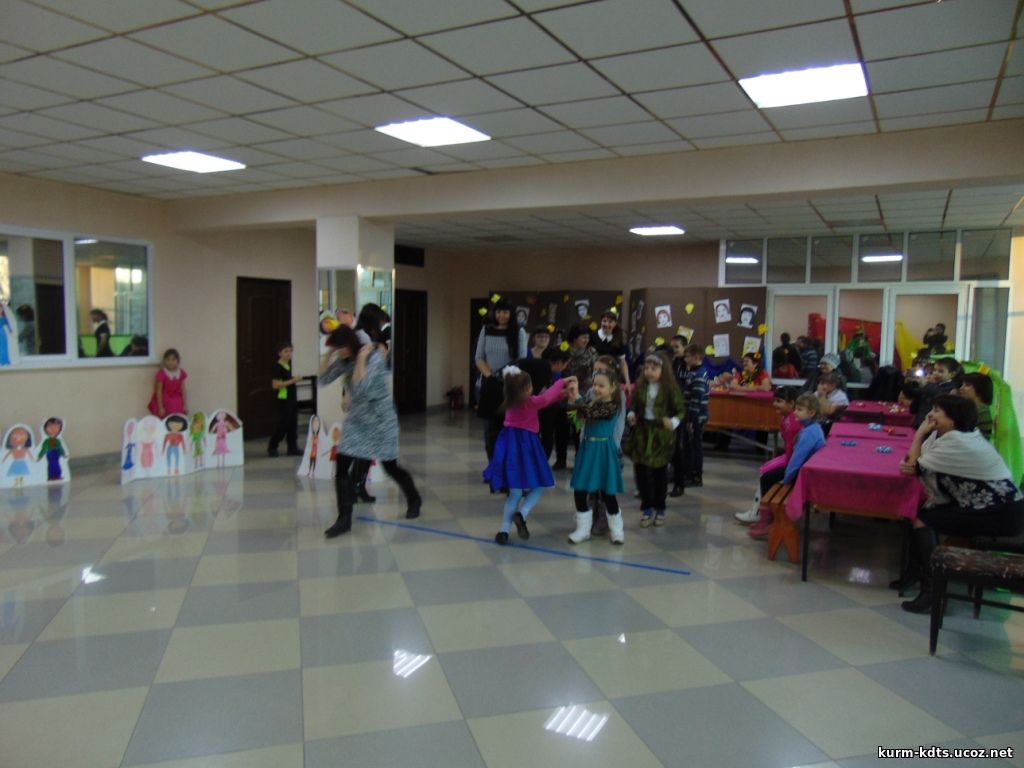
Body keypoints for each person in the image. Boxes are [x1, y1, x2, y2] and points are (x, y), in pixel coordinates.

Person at [898, 395, 1024, 613]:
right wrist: (914, 460)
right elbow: (913, 463)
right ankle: (915, 574)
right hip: (982, 504)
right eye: (933, 409)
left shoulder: (958, 442)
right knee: (916, 512)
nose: (930, 415)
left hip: (999, 512)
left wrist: (918, 434)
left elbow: (914, 466)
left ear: (953, 419)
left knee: (922, 520)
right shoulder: (953, 437)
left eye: (937, 411)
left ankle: (932, 590)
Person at [322, 325, 422, 538]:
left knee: (390, 467)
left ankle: (414, 499)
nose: (339, 353)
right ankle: (344, 519)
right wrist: (328, 355)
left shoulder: (374, 358)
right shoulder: (344, 361)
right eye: (336, 349)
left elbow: (362, 388)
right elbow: (322, 380)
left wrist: (360, 359)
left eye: (340, 348)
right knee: (342, 467)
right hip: (357, 421)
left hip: (380, 420)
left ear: (349, 344)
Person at [483, 367, 573, 544]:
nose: (533, 388)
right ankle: (522, 514)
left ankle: (503, 531)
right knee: (538, 486)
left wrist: (560, 395)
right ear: (525, 390)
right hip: (528, 447)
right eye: (530, 386)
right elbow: (545, 399)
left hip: (510, 447)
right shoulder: (531, 402)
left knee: (515, 493)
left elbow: (545, 400)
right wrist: (562, 382)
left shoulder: (509, 402)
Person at [747, 393, 825, 539]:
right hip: (805, 471)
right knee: (768, 475)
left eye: (800, 410)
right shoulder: (813, 428)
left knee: (767, 478)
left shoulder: (809, 433)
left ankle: (767, 521)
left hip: (803, 475)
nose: (795, 412)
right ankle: (766, 518)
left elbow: (796, 461)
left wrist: (787, 480)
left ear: (811, 413)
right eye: (796, 409)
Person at [625, 352, 684, 528]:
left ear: (663, 370)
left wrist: (673, 422)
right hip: (642, 433)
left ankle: (660, 507)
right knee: (641, 471)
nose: (649, 372)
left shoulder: (670, 389)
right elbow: (634, 405)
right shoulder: (641, 386)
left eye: (654, 368)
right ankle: (647, 507)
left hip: (660, 435)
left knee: (659, 473)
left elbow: (680, 410)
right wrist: (631, 414)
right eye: (647, 368)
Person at [568, 369, 626, 545]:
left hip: (604, 451)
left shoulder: (612, 407)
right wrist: (573, 398)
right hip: (588, 450)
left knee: (607, 493)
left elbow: (590, 412)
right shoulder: (591, 403)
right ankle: (583, 529)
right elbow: (579, 415)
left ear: (613, 387)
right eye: (595, 385)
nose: (596, 388)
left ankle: (617, 530)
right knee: (580, 490)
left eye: (602, 385)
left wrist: (578, 398)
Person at [736, 386, 801, 526]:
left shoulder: (793, 423)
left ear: (791, 403)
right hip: (789, 457)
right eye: (774, 400)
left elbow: (794, 451)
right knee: (764, 469)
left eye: (779, 401)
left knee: (765, 475)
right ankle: (758, 511)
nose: (775, 404)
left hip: (792, 461)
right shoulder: (788, 418)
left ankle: (759, 513)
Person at [475, 299, 528, 460]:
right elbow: (479, 357)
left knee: (508, 427)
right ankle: (493, 465)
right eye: (498, 312)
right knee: (489, 430)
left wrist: (504, 376)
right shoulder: (486, 329)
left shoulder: (519, 331)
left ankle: (507, 464)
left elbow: (521, 358)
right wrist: (490, 376)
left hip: (510, 386)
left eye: (505, 312)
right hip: (488, 384)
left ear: (511, 314)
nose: (501, 315)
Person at [679, 343, 710, 489]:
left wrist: (691, 420)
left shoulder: (699, 375)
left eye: (688, 357)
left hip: (696, 418)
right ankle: (688, 472)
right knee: (689, 446)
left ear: (696, 357)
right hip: (691, 416)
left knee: (694, 446)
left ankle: (696, 476)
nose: (685, 360)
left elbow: (696, 399)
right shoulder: (693, 372)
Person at [268, 342, 302, 457]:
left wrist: (293, 379)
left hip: (291, 398)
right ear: (280, 353)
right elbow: (276, 385)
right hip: (283, 399)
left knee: (293, 423)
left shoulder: (288, 365)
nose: (289, 353)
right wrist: (293, 380)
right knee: (283, 424)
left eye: (290, 351)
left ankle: (292, 448)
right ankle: (273, 446)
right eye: (286, 351)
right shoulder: (277, 367)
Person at [540, 346, 571, 470]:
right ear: (558, 363)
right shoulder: (542, 373)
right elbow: (543, 395)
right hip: (540, 410)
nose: (565, 367)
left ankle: (540, 465)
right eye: (565, 364)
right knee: (546, 437)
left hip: (551, 408)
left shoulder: (553, 372)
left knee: (548, 436)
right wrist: (561, 393)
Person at [913, 357, 960, 428]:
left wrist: (926, 385)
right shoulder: (932, 385)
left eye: (940, 371)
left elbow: (941, 396)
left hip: (934, 425)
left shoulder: (952, 388)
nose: (936, 373)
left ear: (952, 374)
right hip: (921, 421)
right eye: (934, 370)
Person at [591, 310, 629, 385]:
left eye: (610, 322)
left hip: (613, 374)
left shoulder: (618, 338)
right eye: (604, 321)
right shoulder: (593, 336)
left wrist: (627, 381)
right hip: (596, 374)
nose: (606, 324)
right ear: (601, 322)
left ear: (615, 324)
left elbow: (622, 362)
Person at [148, 348, 188, 417]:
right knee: (168, 418)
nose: (170, 362)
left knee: (178, 418)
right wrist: (160, 407)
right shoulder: (162, 373)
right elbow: (158, 392)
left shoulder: (181, 373)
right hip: (165, 401)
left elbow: (183, 390)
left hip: (177, 401)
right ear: (164, 361)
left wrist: (185, 405)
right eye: (168, 359)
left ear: (178, 361)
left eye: (173, 359)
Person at [958, 372, 994, 440]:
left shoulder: (983, 413)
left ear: (980, 389)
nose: (961, 388)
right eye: (962, 385)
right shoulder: (969, 409)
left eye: (967, 385)